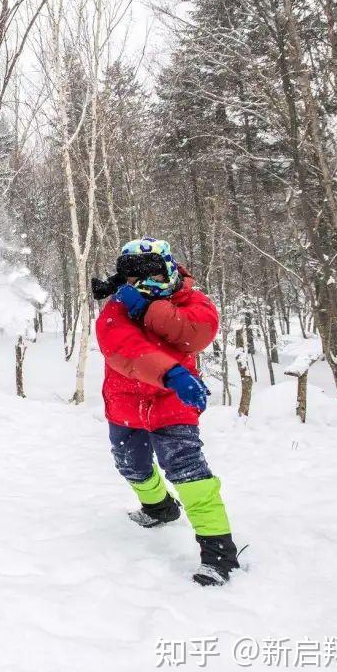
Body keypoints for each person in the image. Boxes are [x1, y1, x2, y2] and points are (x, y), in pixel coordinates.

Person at [93, 237, 240, 586]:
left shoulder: (191, 300)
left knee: (187, 469)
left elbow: (195, 334)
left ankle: (219, 552)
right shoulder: (115, 308)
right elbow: (122, 348)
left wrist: (147, 309)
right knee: (132, 466)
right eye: (132, 276)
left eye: (151, 274)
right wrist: (169, 370)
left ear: (168, 268)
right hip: (126, 400)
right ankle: (159, 508)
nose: (142, 283)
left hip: (173, 400)